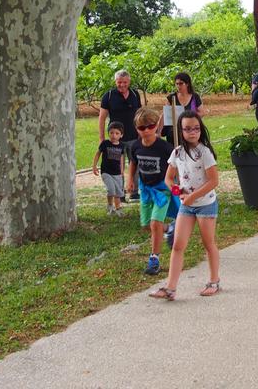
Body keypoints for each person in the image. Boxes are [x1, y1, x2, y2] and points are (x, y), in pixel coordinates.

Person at [149, 111, 221, 300]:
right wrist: (178, 192)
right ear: (180, 131)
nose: (192, 132)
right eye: (188, 129)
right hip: (186, 206)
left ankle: (214, 281)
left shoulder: (204, 152)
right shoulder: (177, 152)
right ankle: (170, 288)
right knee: (178, 245)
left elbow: (214, 181)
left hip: (206, 204)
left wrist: (193, 197)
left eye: (196, 128)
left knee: (208, 243)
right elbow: (168, 178)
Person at [126, 108, 175, 276]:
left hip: (162, 190)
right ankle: (169, 229)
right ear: (136, 128)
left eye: (150, 126)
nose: (146, 130)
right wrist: (130, 179)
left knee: (155, 223)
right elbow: (133, 163)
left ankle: (154, 259)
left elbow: (175, 164)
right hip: (145, 190)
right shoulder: (135, 146)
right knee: (147, 225)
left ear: (156, 126)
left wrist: (175, 184)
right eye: (141, 128)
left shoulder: (165, 147)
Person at [99, 70, 142, 199]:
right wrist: (102, 138)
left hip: (134, 136)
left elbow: (139, 114)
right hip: (115, 139)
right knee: (117, 166)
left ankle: (134, 192)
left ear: (129, 82)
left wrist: (141, 132)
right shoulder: (109, 96)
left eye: (125, 82)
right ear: (115, 82)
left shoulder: (135, 94)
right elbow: (102, 118)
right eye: (119, 82)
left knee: (135, 164)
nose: (122, 85)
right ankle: (120, 194)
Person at [92, 121, 126, 216]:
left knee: (118, 192)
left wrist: (122, 171)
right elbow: (98, 154)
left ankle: (118, 208)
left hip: (117, 173)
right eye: (111, 132)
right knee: (111, 189)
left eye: (117, 133)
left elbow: (121, 158)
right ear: (108, 133)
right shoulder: (105, 143)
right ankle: (110, 206)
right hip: (106, 172)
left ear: (121, 135)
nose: (114, 135)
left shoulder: (122, 146)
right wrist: (94, 166)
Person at [160, 72, 203, 145]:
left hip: (189, 132)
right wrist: (158, 131)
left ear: (187, 84)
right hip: (173, 133)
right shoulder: (172, 97)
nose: (178, 86)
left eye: (181, 83)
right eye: (177, 84)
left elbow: (201, 112)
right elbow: (164, 114)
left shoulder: (195, 97)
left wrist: (190, 119)